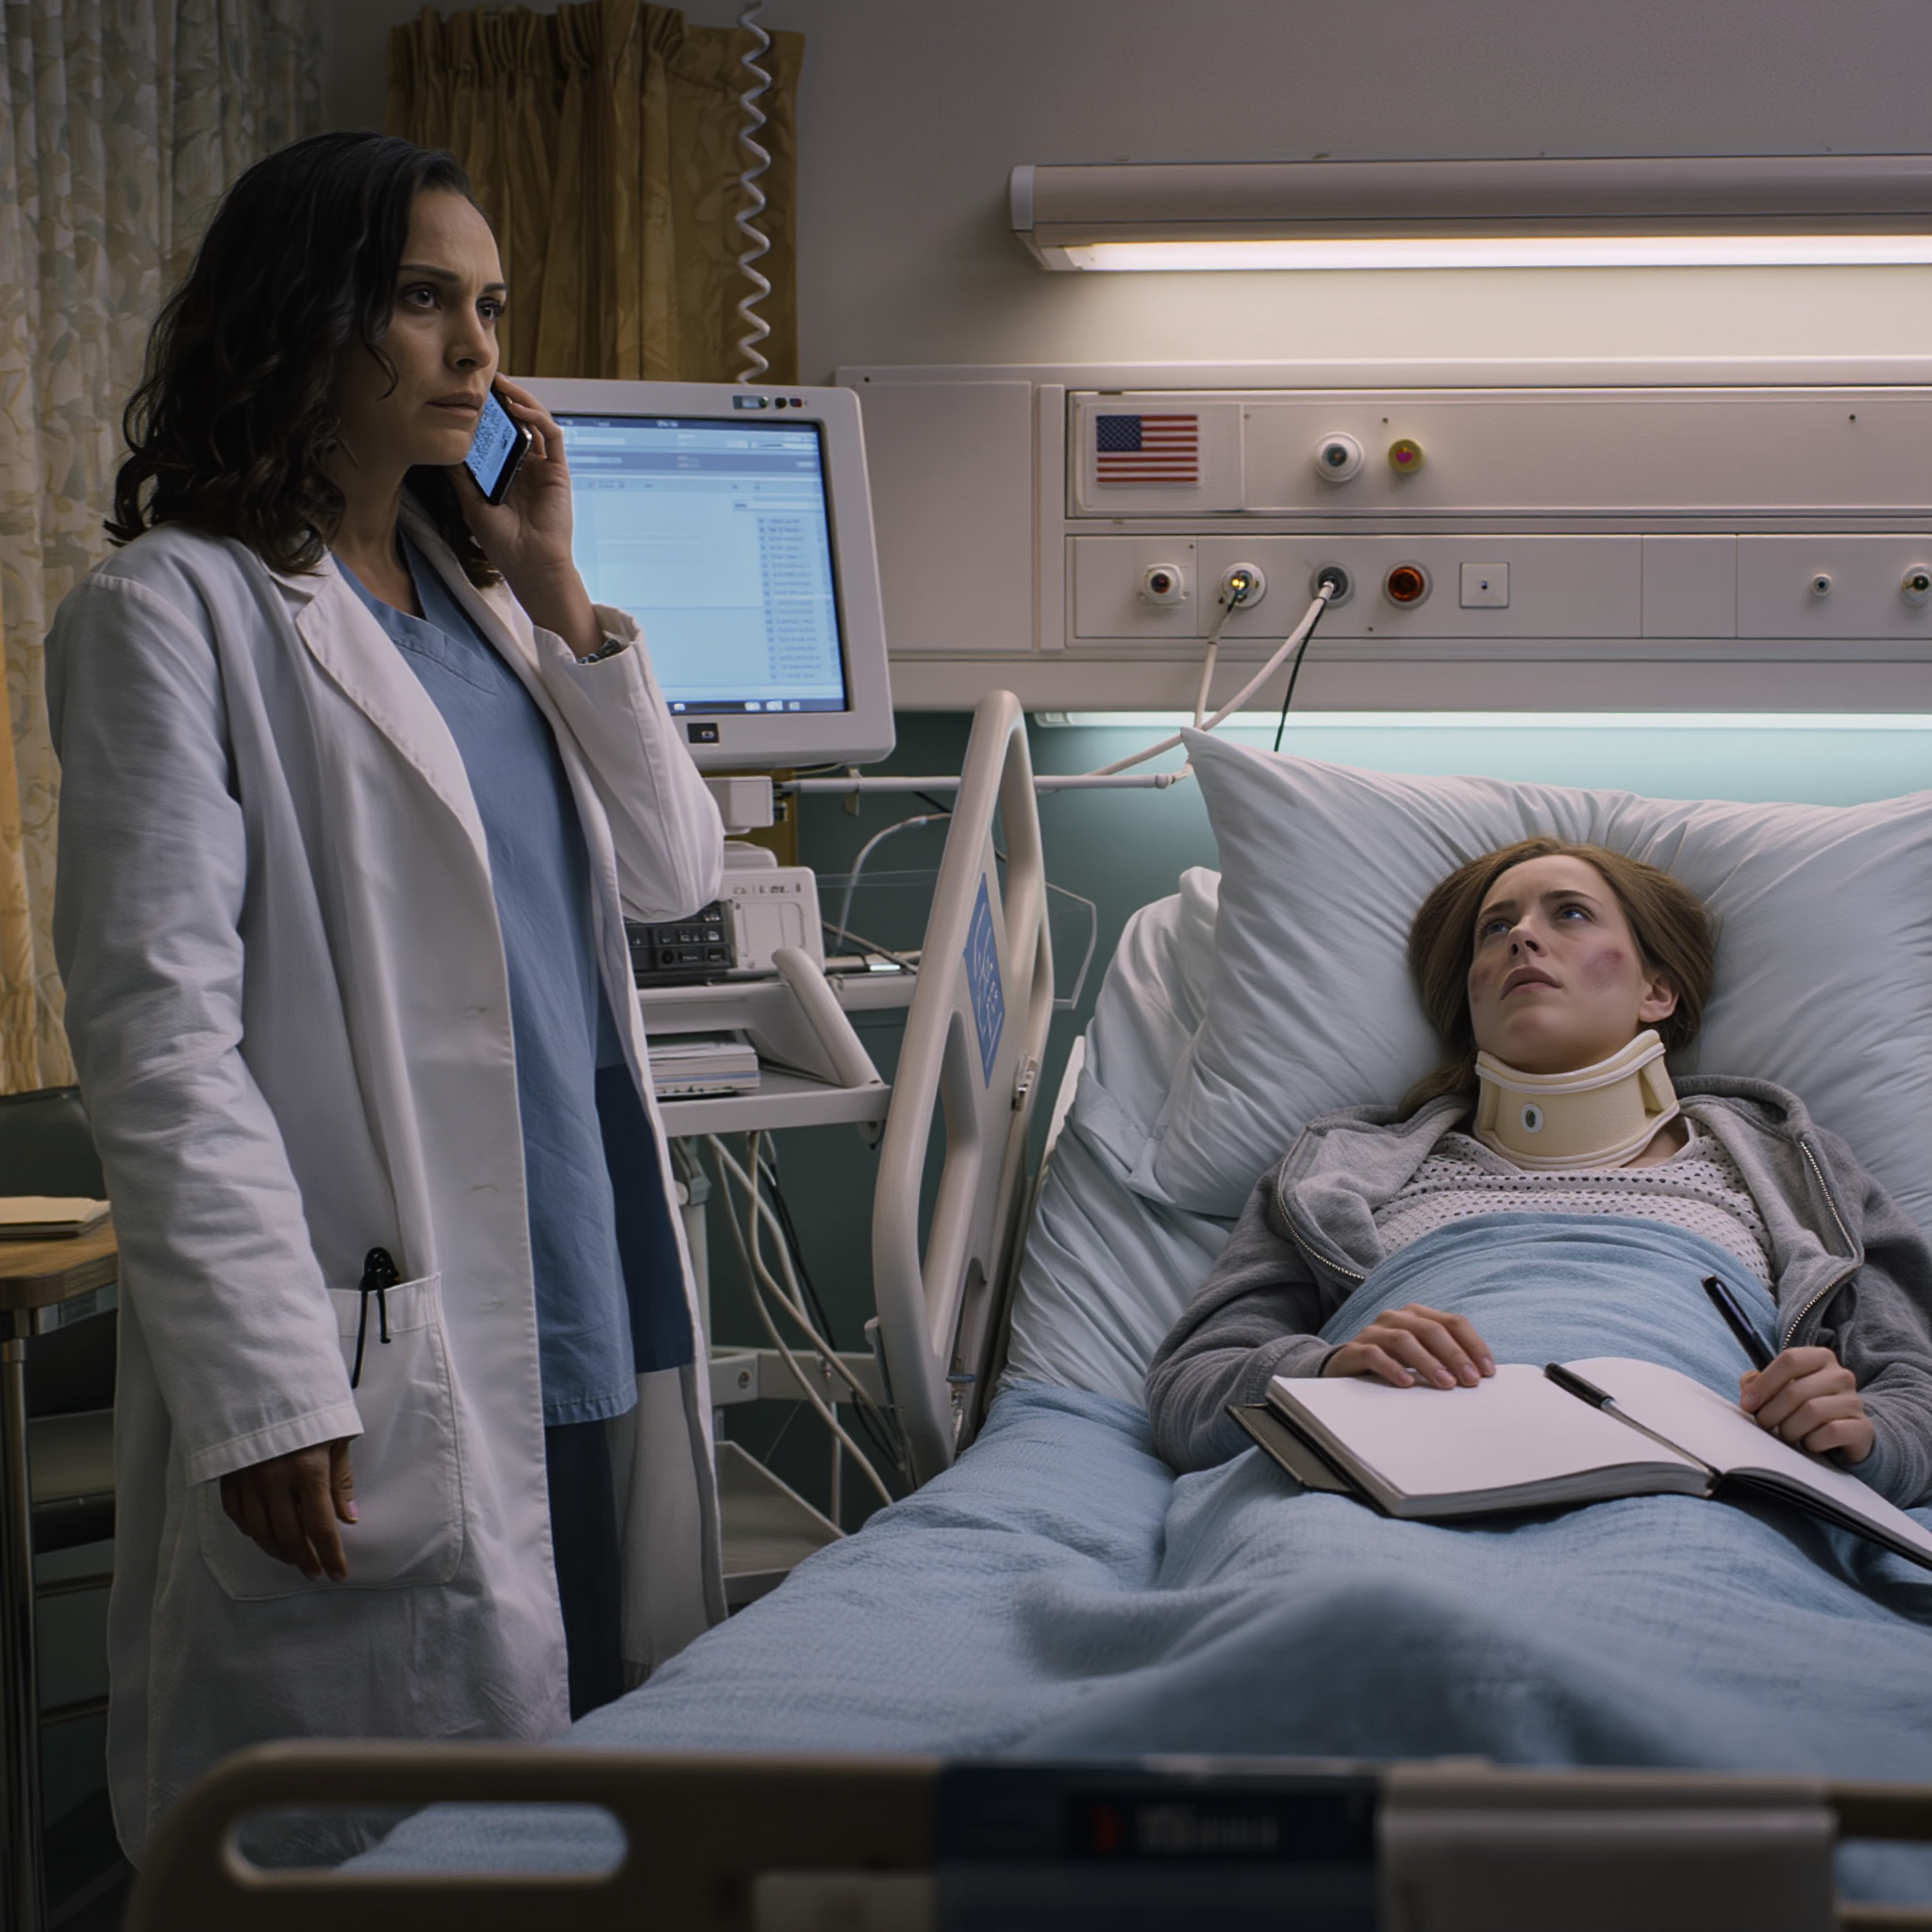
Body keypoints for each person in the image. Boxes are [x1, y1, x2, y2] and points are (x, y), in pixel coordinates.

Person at [46, 132, 726, 1859]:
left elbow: (672, 876)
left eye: (489, 306)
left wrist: (558, 585)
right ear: (303, 312)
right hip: (374, 1324)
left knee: (586, 1790)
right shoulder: (174, 613)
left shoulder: (489, 604)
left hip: (581, 1273)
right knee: (401, 1844)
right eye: (425, 299)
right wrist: (267, 1384)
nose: (476, 348)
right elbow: (159, 1041)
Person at [1145, 838, 1932, 1507]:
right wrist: (1321, 1371)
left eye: (1571, 914)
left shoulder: (1788, 1164)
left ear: (1658, 991)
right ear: (1470, 998)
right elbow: (1189, 1393)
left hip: (1690, 1500)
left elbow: (1914, 1397)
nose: (1521, 937)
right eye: (1495, 928)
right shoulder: (1340, 1170)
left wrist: (1862, 1436)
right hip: (1379, 1490)